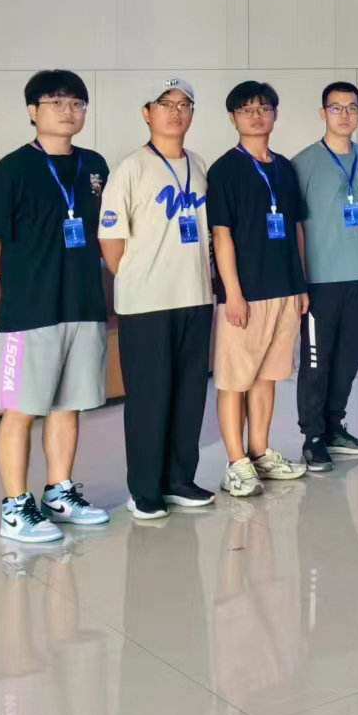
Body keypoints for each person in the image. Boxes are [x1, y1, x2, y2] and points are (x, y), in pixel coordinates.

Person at [0, 71, 112, 542]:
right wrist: (17, 283)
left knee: (68, 405)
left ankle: (59, 493)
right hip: (31, 311)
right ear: (33, 111)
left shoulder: (94, 166)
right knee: (20, 409)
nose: (67, 111)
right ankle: (15, 508)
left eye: (76, 103)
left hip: (83, 304)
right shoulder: (11, 170)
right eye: (55, 102)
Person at [99, 76, 216, 519]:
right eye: (166, 103)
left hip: (195, 296)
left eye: (185, 104)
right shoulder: (131, 168)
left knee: (190, 393)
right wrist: (137, 279)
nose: (176, 111)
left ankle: (179, 480)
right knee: (149, 397)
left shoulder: (198, 164)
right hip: (146, 303)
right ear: (147, 113)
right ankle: (145, 489)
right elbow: (111, 240)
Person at [206, 81, 309, 496]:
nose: (256, 115)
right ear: (233, 118)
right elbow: (221, 234)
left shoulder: (284, 167)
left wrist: (300, 284)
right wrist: (232, 292)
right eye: (246, 109)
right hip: (245, 294)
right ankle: (236, 464)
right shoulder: (225, 170)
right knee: (235, 380)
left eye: (263, 108)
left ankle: (260, 452)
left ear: (275, 115)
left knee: (268, 377)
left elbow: (296, 228)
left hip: (284, 290)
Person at [290, 80, 358, 472]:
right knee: (316, 361)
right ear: (322, 113)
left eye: (351, 107)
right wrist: (300, 281)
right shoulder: (303, 163)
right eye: (336, 108)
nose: (344, 115)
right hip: (319, 281)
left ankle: (334, 428)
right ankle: (312, 437)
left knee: (348, 358)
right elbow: (294, 226)